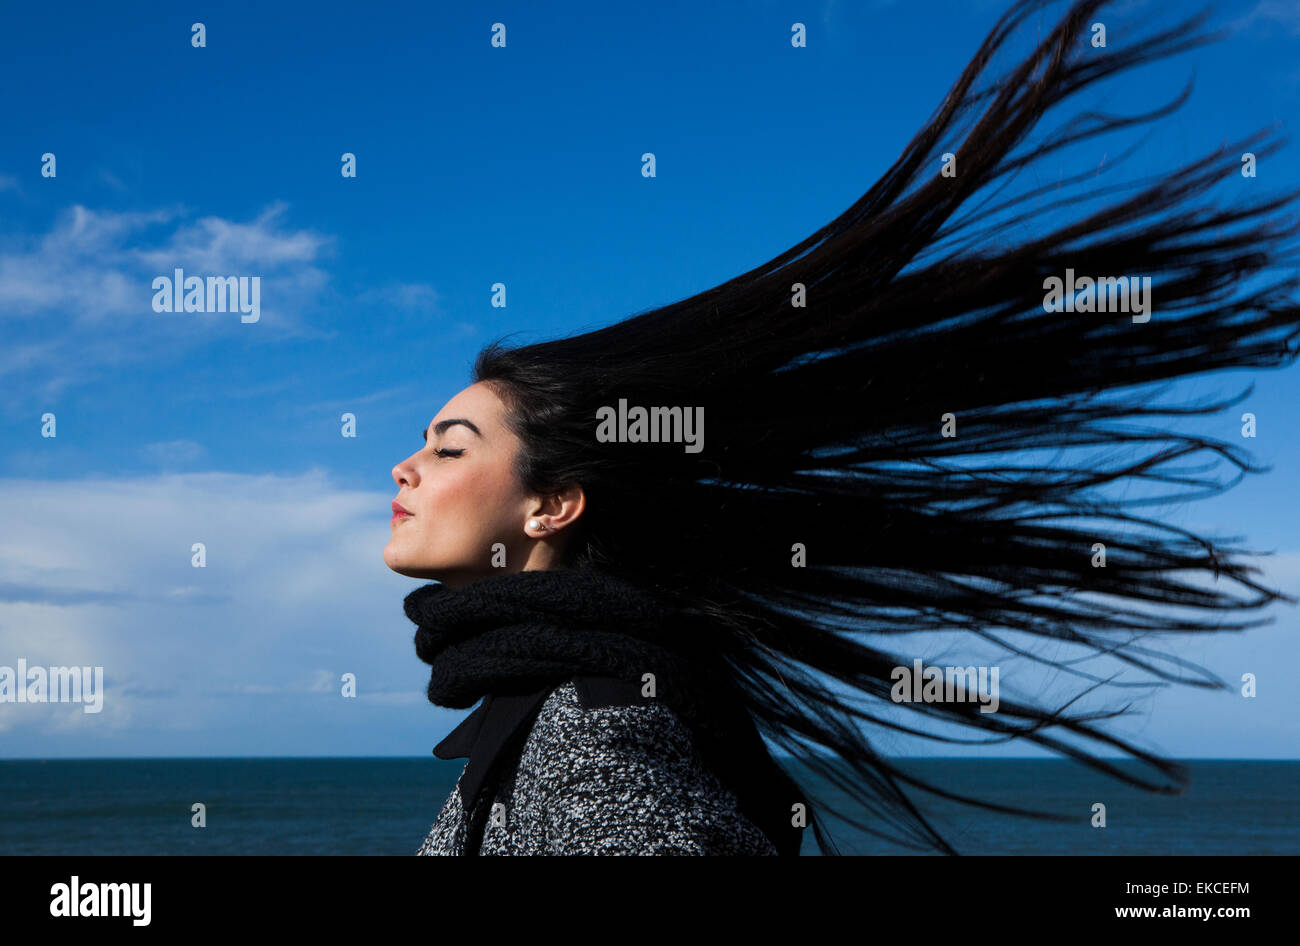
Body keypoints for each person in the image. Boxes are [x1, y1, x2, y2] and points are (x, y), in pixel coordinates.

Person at [386, 0, 1300, 855]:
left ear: (552, 505)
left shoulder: (588, 733)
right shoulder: (571, 704)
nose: (405, 468)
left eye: (448, 445)